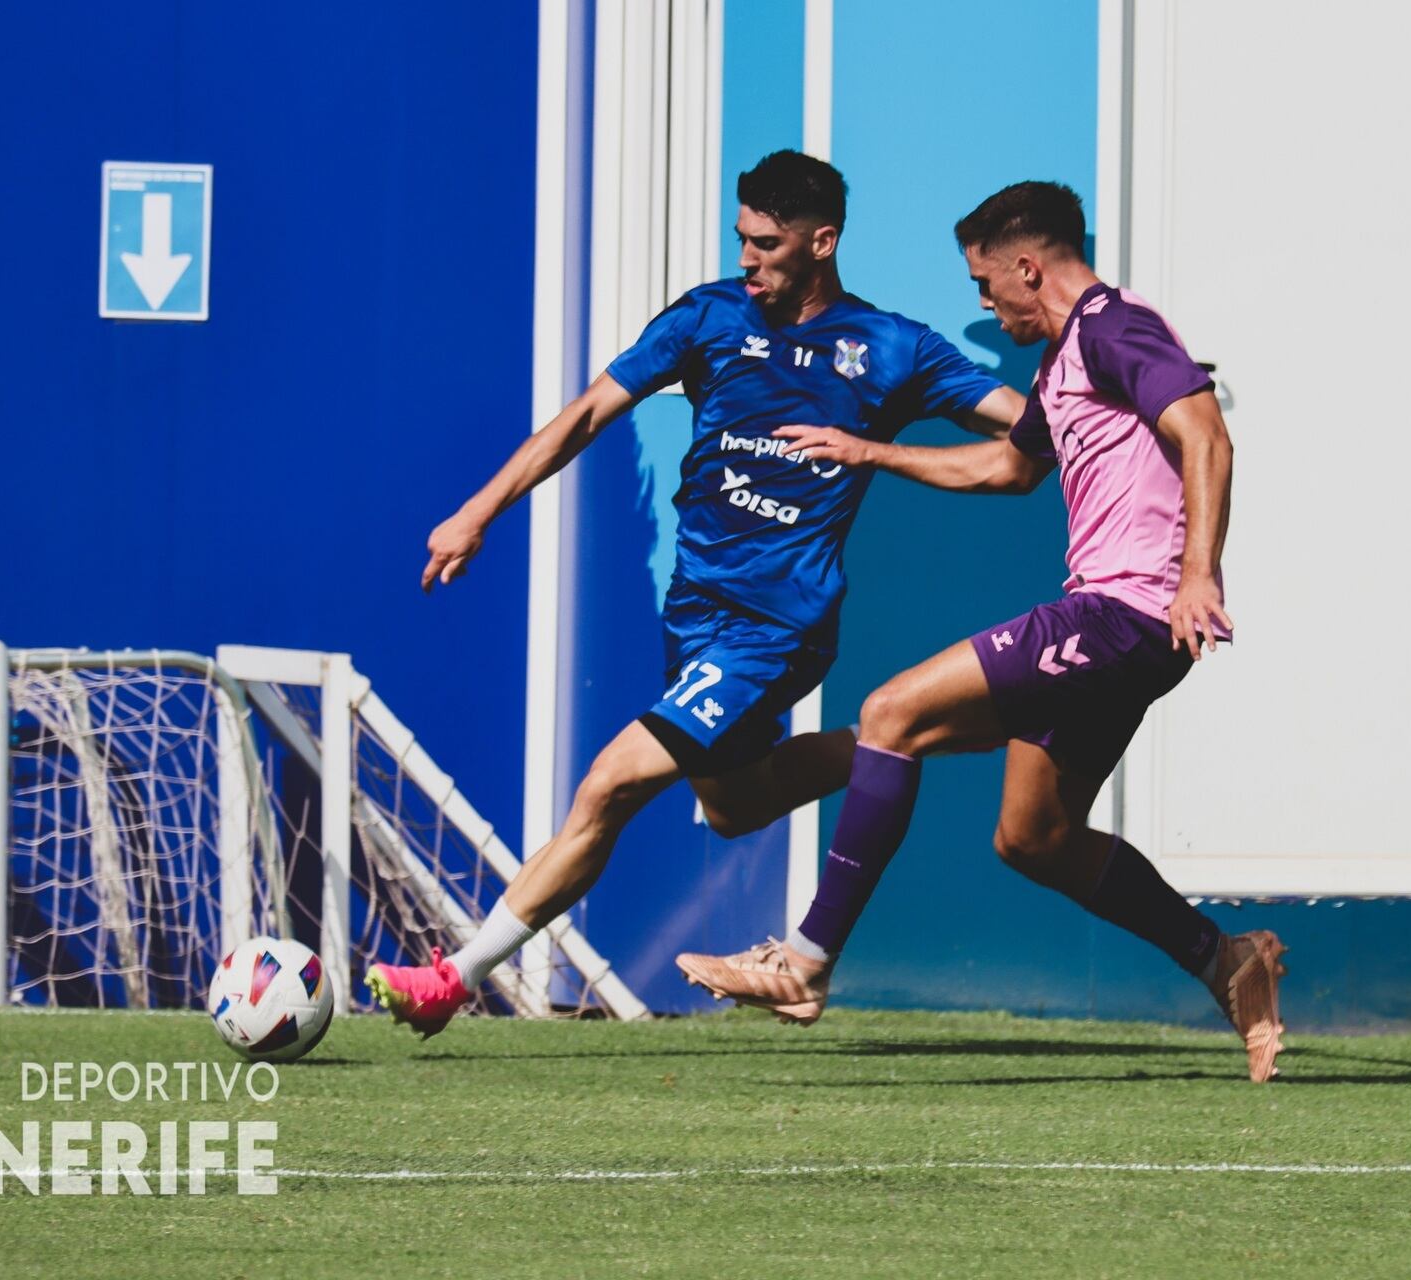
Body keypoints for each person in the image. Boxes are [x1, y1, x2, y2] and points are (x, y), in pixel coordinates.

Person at [365, 151, 1024, 1037]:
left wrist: (1144, 403)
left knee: (610, 784)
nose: (748, 258)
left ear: (821, 242)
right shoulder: (709, 317)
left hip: (776, 624)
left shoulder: (893, 349)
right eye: (741, 239)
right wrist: (479, 510)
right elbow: (587, 415)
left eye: (767, 242)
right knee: (735, 804)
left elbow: (1028, 429)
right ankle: (909, 736)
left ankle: (455, 978)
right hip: (696, 615)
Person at [675, 180, 1287, 1083]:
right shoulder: (1066, 358)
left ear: (1028, 268)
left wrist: (1197, 572)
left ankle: (804, 965)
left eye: (983, 284)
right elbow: (1008, 466)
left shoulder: (1117, 328)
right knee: (1032, 836)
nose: (984, 306)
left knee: (890, 714)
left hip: (1122, 612)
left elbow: (1206, 432)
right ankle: (1223, 958)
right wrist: (873, 452)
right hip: (1130, 633)